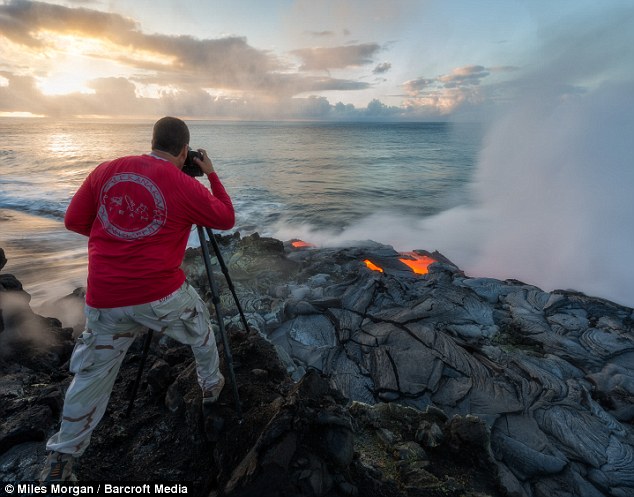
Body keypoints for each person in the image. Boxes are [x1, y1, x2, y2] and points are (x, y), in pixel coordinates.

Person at [40, 116, 235, 482]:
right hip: (161, 297)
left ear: (153, 141)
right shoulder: (184, 185)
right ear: (184, 151)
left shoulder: (107, 170)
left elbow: (73, 221)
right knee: (202, 327)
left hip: (104, 298)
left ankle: (62, 457)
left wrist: (119, 237)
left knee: (92, 374)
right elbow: (225, 218)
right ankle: (212, 387)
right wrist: (211, 175)